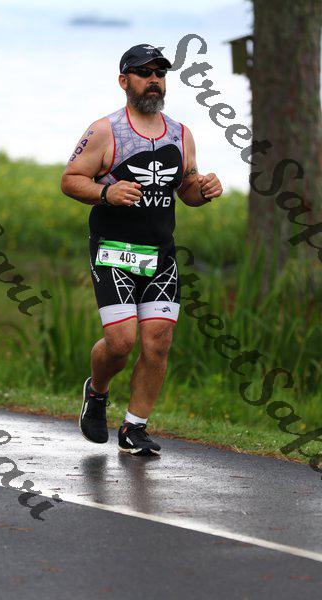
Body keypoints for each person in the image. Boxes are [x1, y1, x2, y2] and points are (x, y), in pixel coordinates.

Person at [61, 43, 223, 456]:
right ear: (124, 81)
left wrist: (204, 189)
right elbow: (71, 179)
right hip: (113, 252)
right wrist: (107, 193)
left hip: (161, 254)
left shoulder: (180, 134)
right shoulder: (106, 131)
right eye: (144, 72)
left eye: (160, 73)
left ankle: (134, 427)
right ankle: (97, 392)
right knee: (120, 343)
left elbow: (187, 189)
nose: (154, 80)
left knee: (158, 341)